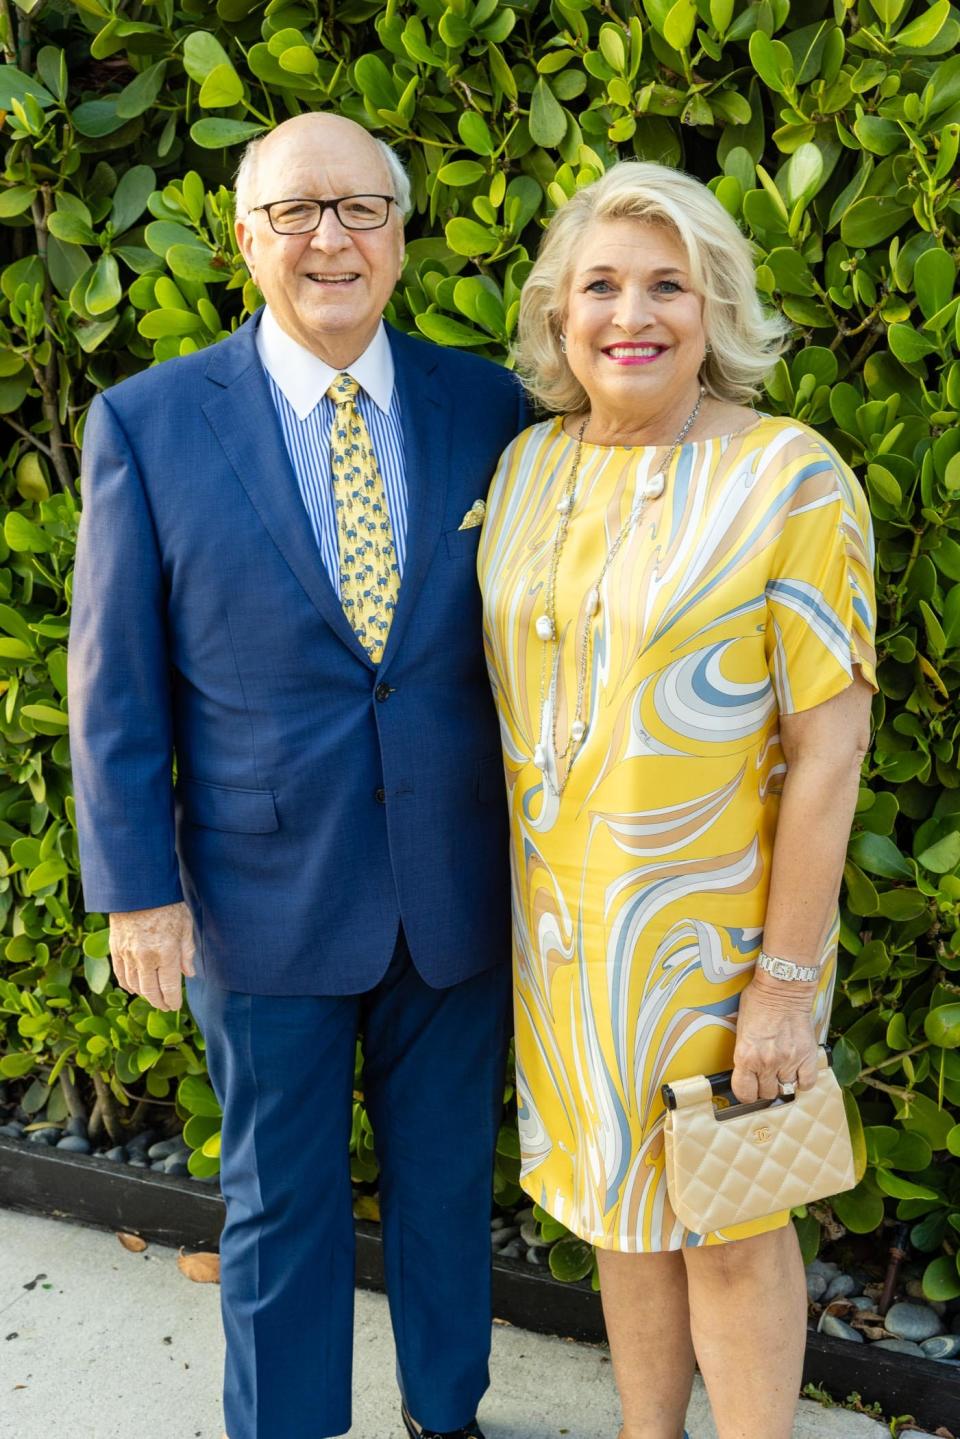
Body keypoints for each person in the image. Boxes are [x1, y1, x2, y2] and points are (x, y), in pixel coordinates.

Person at [68, 112, 528, 1439]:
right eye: (296, 212)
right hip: (255, 892)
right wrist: (136, 892)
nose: (331, 237)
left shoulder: (486, 402)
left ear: (400, 231)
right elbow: (113, 684)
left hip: (453, 884)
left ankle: (449, 1414)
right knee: (279, 1198)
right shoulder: (149, 423)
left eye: (362, 209)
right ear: (244, 236)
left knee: (446, 1188)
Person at [478, 161, 876, 1439]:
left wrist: (783, 982)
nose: (629, 314)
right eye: (600, 285)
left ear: (716, 311)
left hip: (720, 950)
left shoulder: (789, 477)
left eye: (668, 285)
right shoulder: (529, 466)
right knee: (619, 1215)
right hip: (567, 946)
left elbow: (830, 749)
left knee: (731, 1223)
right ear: (559, 315)